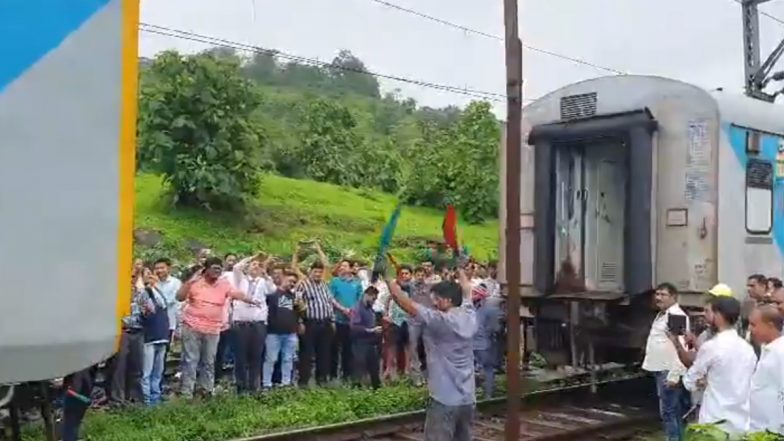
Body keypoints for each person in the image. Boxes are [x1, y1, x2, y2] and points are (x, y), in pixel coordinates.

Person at [387, 267, 477, 441]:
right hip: (468, 398)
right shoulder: (468, 313)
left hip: (444, 398)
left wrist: (390, 281)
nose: (433, 304)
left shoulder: (441, 321)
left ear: (447, 300)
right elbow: (467, 290)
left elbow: (408, 306)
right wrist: (461, 270)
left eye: (436, 300)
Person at [176, 256, 262, 398]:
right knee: (191, 361)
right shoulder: (195, 282)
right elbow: (179, 297)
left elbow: (237, 294)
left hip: (213, 329)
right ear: (206, 269)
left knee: (209, 361)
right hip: (192, 327)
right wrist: (189, 282)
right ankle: (187, 394)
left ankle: (206, 391)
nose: (218, 271)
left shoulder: (224, 284)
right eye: (215, 268)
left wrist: (252, 300)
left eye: (219, 269)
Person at [681, 296, 756, 435]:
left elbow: (689, 382)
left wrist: (702, 381)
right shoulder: (747, 348)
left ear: (718, 315)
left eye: (708, 312)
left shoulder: (711, 347)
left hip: (715, 420)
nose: (705, 315)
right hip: (741, 421)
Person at [642, 283, 690, 441]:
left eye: (663, 295)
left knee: (670, 412)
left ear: (673, 297)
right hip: (661, 368)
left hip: (668, 371)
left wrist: (675, 375)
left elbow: (681, 347)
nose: (658, 298)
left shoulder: (675, 316)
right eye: (657, 294)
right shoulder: (663, 314)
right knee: (670, 412)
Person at [231, 254, 272, 394]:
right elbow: (236, 267)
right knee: (240, 357)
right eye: (253, 265)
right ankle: (241, 387)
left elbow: (272, 290)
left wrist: (265, 274)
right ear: (247, 267)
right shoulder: (240, 279)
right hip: (241, 323)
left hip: (258, 324)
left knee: (256, 356)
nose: (255, 267)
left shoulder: (264, 281)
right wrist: (252, 257)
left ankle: (254, 387)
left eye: (258, 265)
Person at [296, 260, 335, 387]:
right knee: (306, 354)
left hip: (325, 322)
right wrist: (300, 321)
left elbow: (329, 303)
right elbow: (297, 303)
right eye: (315, 271)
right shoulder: (303, 285)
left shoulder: (324, 284)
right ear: (310, 271)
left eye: (320, 272)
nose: (318, 274)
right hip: (310, 323)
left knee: (324, 353)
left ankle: (322, 380)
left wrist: (332, 320)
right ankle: (304, 382)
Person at [748, 304, 784, 433]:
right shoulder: (767, 349)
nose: (750, 330)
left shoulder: (780, 353)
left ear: (770, 325)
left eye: (754, 325)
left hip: (773, 431)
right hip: (759, 429)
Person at [264, 271, 302, 389]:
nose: (291, 284)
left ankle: (286, 383)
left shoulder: (294, 296)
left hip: (291, 332)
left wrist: (301, 307)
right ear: (283, 279)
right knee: (271, 359)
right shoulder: (272, 294)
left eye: (294, 282)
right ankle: (267, 384)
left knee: (288, 359)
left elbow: (299, 314)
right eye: (290, 281)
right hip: (273, 332)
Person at [139, 269, 171, 406]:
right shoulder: (143, 294)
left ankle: (155, 398)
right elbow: (149, 309)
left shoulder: (158, 292)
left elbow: (165, 305)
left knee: (158, 372)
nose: (151, 277)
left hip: (162, 335)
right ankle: (146, 401)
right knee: (147, 372)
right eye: (147, 275)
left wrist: (155, 287)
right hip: (149, 337)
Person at [329, 259, 363, 382]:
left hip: (351, 320)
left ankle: (346, 374)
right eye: (341, 266)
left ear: (350, 268)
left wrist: (353, 310)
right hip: (337, 319)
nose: (343, 268)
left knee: (348, 349)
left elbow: (360, 299)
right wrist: (342, 308)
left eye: (345, 266)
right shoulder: (335, 281)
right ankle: (332, 374)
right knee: (334, 348)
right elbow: (330, 297)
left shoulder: (357, 283)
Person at [350, 286, 383, 389]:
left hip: (371, 342)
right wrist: (371, 330)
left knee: (374, 367)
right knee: (360, 365)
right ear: (366, 295)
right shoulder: (357, 308)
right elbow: (354, 326)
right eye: (373, 299)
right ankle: (357, 387)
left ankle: (376, 388)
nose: (374, 301)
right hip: (360, 342)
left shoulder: (370, 309)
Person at [473, 293, 503, 400]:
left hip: (471, 345)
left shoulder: (469, 310)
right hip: (484, 345)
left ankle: (472, 394)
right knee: (488, 369)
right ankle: (488, 395)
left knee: (471, 370)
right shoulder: (489, 310)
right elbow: (496, 328)